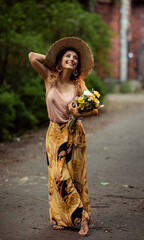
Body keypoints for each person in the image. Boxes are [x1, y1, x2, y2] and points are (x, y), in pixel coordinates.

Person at [28, 37, 98, 237]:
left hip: (74, 133)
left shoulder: (78, 84)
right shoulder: (49, 77)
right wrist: (52, 59)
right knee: (57, 176)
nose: (72, 59)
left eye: (75, 58)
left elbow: (94, 109)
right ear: (60, 60)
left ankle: (82, 219)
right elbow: (32, 57)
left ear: (77, 64)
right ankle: (62, 217)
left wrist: (79, 113)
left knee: (74, 177)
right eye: (67, 56)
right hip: (53, 133)